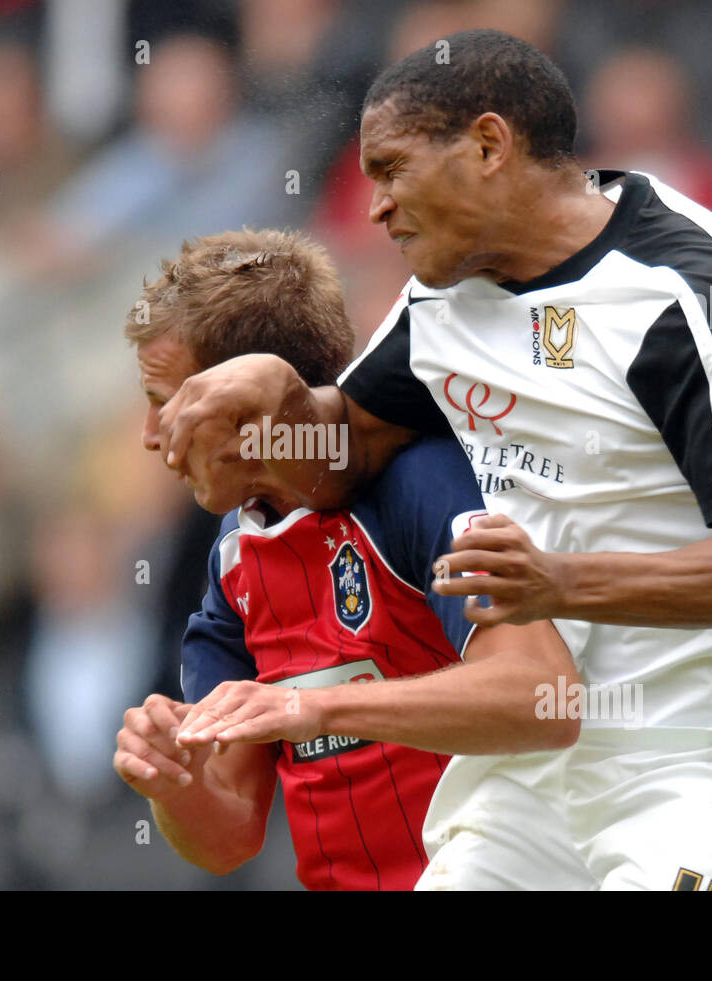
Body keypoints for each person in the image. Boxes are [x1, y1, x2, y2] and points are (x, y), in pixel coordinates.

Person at [161, 30, 712, 890]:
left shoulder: (698, 297)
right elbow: (346, 452)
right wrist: (277, 407)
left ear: (488, 146)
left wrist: (563, 583)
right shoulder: (446, 300)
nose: (375, 206)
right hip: (543, 763)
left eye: (391, 170)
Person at [111, 228, 581, 890]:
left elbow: (544, 697)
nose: (150, 435)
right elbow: (231, 830)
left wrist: (320, 710)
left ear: (242, 406)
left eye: (168, 404)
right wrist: (172, 783)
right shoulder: (230, 559)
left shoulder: (420, 485)